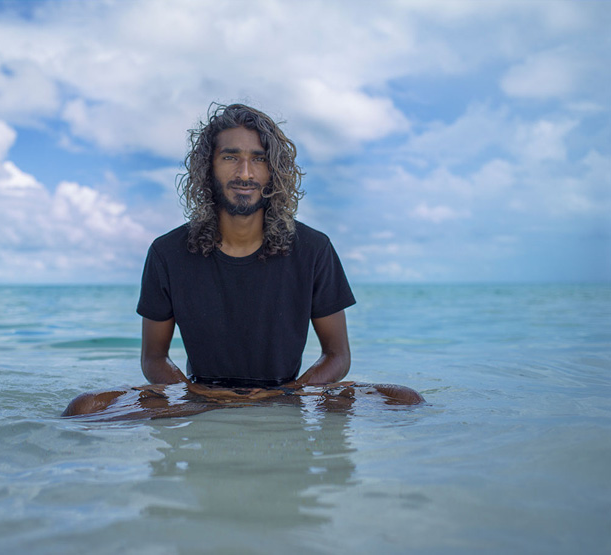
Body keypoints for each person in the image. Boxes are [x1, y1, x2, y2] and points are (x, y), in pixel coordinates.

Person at [63, 104, 422, 417]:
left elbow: (337, 355)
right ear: (208, 168)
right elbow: (153, 357)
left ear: (274, 171)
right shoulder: (167, 252)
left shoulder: (314, 249)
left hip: (287, 394)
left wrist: (289, 393)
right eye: (231, 157)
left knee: (406, 400)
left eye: (259, 159)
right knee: (85, 407)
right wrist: (196, 393)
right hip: (200, 396)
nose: (245, 173)